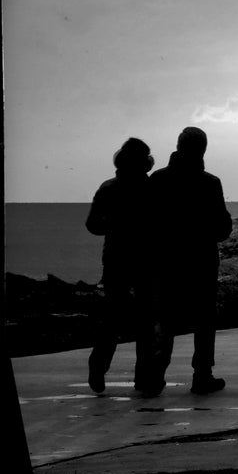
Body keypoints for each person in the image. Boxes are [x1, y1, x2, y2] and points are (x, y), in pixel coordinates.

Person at [149, 127, 233, 395]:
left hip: (165, 260)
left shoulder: (157, 180)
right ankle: (202, 376)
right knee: (205, 320)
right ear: (203, 150)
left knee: (164, 318)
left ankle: (154, 375)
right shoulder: (210, 183)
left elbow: (145, 224)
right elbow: (222, 228)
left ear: (178, 145)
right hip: (201, 261)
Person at [85, 138, 157, 395]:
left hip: (115, 258)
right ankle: (144, 378)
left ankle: (98, 364)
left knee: (114, 316)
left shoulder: (108, 188)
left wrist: (114, 225)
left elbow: (93, 224)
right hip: (146, 260)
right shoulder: (151, 189)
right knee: (146, 320)